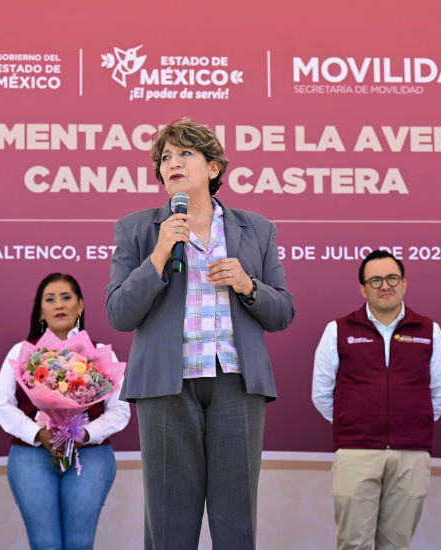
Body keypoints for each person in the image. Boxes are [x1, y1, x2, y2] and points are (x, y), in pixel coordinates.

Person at [106, 118, 295, 550]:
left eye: (185, 153)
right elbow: (119, 312)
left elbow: (283, 311)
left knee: (235, 523)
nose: (172, 162)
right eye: (165, 157)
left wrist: (248, 285)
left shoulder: (257, 229)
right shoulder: (137, 230)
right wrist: (158, 256)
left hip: (237, 385)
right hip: (166, 387)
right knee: (169, 525)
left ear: (213, 168)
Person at [312, 250, 441, 550]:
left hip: (411, 453)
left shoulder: (429, 330)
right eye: (375, 280)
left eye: (392, 278)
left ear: (404, 283)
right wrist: (354, 422)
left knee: (396, 545)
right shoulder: (338, 330)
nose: (384, 286)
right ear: (363, 288)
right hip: (356, 451)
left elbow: (440, 394)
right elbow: (321, 393)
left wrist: (412, 423)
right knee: (353, 544)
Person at [0, 272, 130, 550]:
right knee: (45, 544)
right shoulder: (21, 352)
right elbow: (3, 406)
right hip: (31, 456)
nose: (59, 305)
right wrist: (39, 433)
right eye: (50, 299)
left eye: (66, 298)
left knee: (80, 544)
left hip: (90, 456)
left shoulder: (101, 353)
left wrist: (83, 434)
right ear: (41, 311)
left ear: (80, 306)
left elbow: (120, 411)